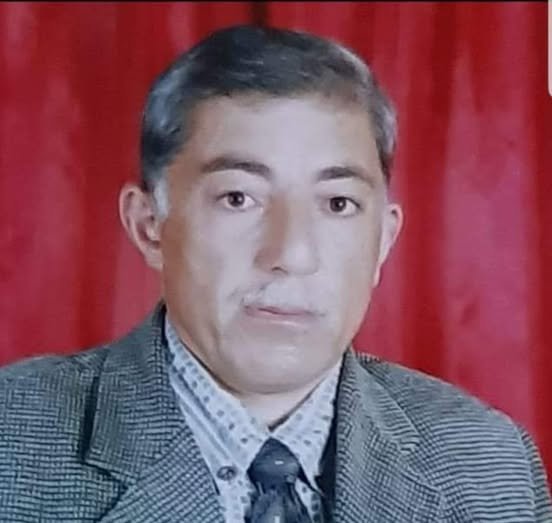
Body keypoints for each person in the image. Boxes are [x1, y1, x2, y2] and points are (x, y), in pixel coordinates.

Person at [0, 24, 550, 523]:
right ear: (149, 226)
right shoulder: (14, 443)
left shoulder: (489, 465)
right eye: (238, 198)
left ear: (383, 240)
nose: (292, 253)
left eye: (337, 204)